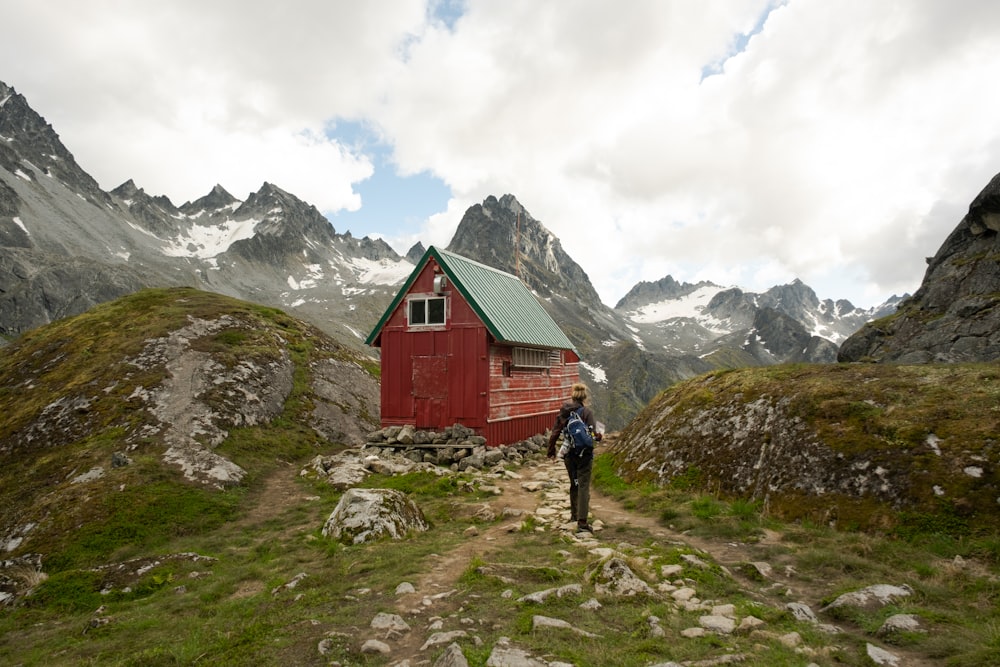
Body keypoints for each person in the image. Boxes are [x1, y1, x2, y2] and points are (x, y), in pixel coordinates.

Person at [547, 382, 602, 533]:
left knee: (574, 483)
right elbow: (593, 435)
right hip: (585, 455)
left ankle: (574, 515)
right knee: (583, 485)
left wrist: (551, 451)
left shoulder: (564, 412)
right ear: (585, 397)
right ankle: (582, 522)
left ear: (572, 396)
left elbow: (555, 433)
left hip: (569, 455)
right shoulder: (587, 413)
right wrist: (599, 436)